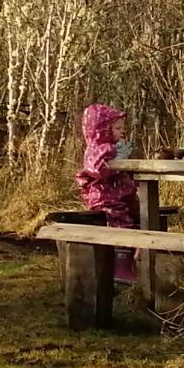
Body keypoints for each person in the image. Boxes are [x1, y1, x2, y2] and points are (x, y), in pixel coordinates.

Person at [75, 103, 140, 281]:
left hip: (122, 197)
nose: (121, 132)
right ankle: (121, 268)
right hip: (105, 199)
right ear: (103, 129)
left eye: (122, 128)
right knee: (122, 224)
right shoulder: (98, 149)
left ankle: (139, 260)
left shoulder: (113, 147)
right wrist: (116, 158)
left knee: (142, 215)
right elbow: (97, 169)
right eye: (117, 128)